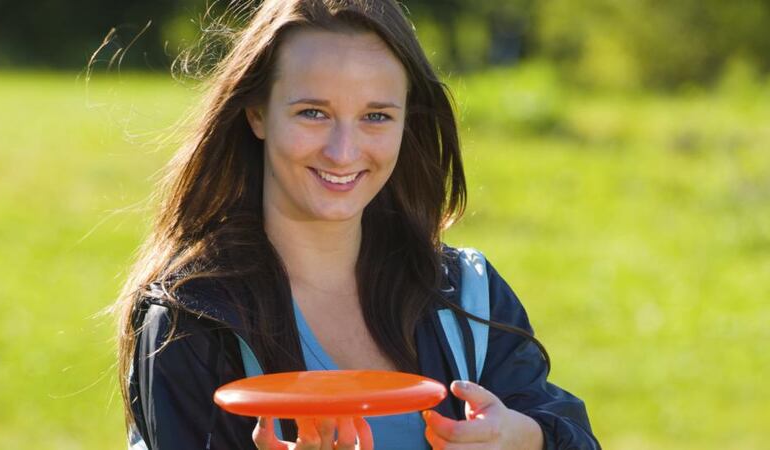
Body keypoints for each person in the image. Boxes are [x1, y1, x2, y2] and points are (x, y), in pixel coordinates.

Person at [115, 0, 601, 449]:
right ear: (257, 114)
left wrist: (527, 439)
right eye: (313, 113)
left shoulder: (468, 296)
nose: (343, 151)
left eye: (376, 116)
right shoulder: (192, 317)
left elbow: (567, 431)